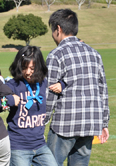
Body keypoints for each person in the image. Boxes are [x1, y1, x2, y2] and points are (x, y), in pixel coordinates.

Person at [45, 9, 110, 166]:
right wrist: (104, 123)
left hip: (65, 124)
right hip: (90, 123)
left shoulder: (56, 55)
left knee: (50, 163)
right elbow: (103, 91)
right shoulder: (95, 54)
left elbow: (49, 93)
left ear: (58, 29)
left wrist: (42, 121)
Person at [0, 46, 58, 166]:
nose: (28, 72)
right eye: (24, 68)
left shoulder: (44, 83)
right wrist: (8, 100)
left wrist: (62, 84)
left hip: (40, 145)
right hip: (18, 147)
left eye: (32, 68)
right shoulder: (12, 85)